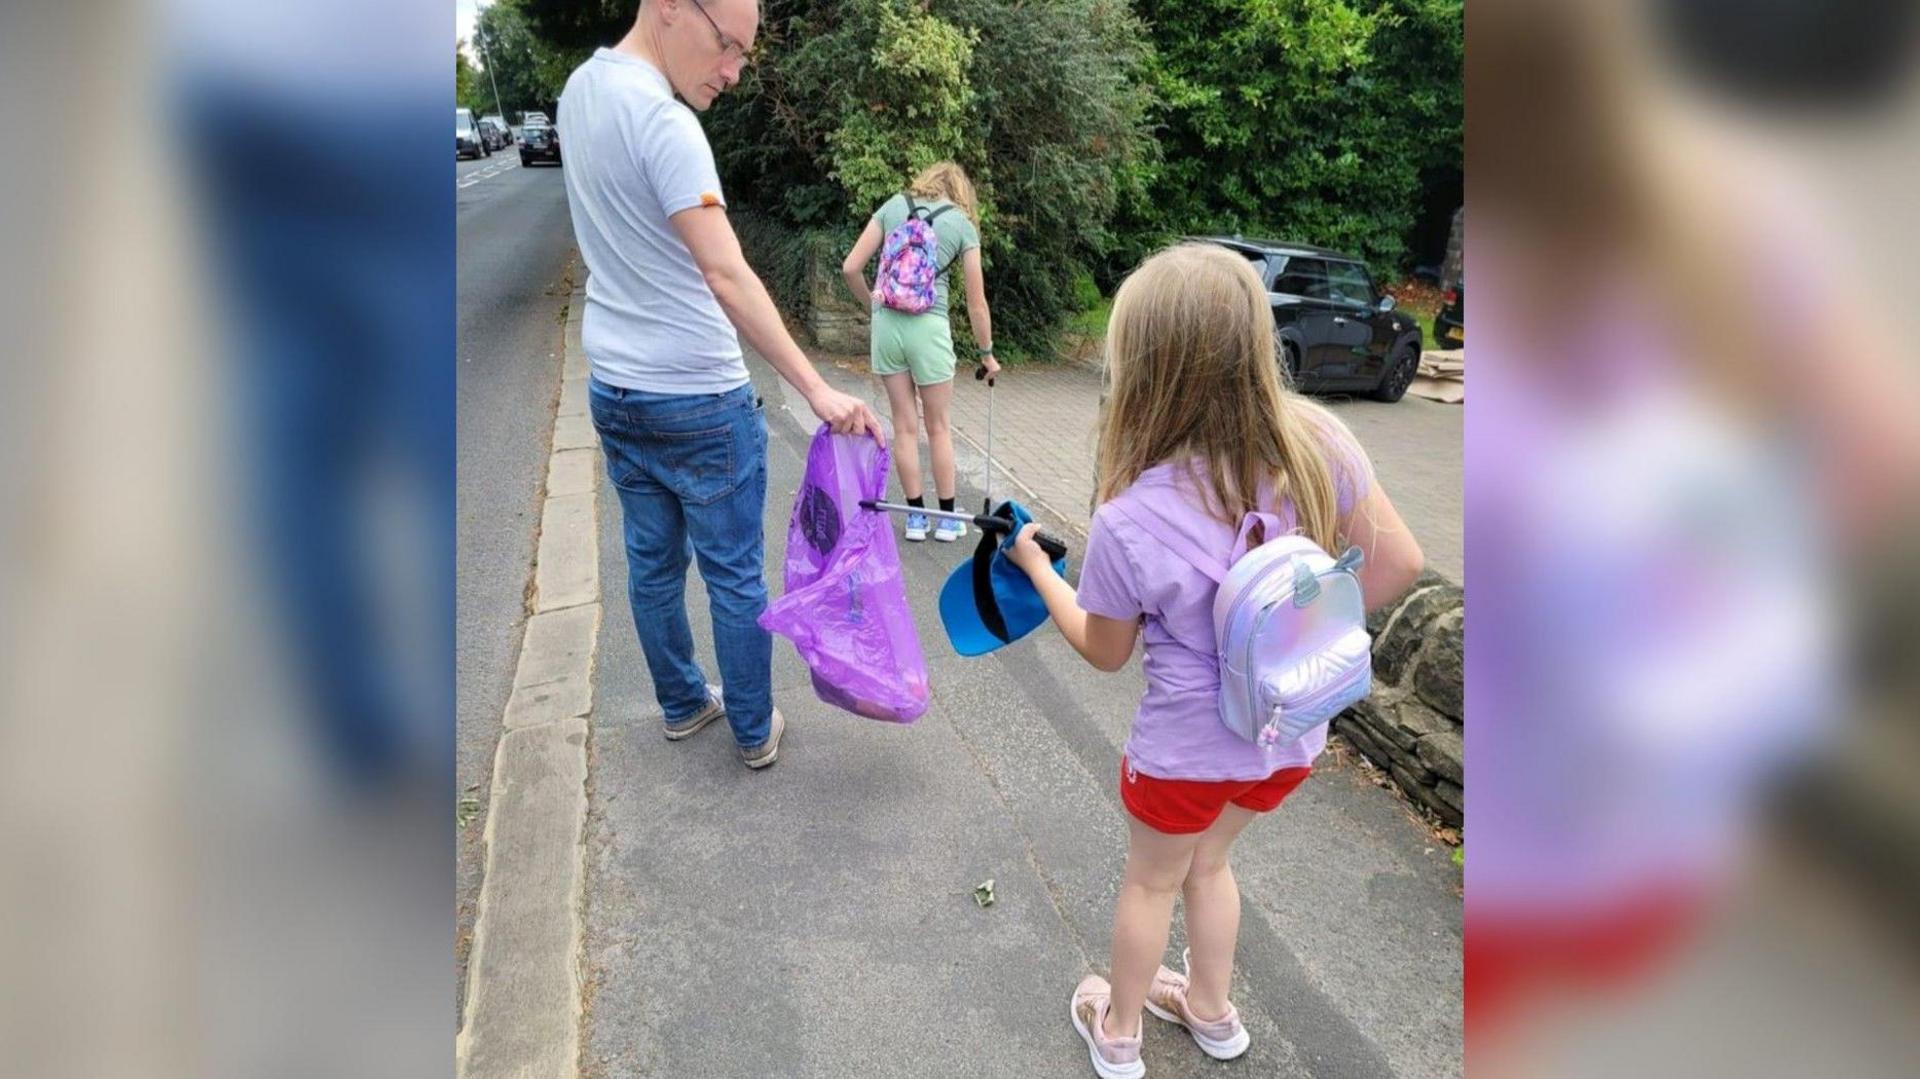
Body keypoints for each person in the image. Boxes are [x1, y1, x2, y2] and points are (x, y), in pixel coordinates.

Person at [1004, 244, 1424, 1077]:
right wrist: (1294, 638)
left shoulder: (1130, 513)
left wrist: (1040, 570)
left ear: (1143, 368)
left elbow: (1103, 647)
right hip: (1288, 735)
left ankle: (1119, 1032)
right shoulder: (1320, 445)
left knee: (1153, 882)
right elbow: (1399, 564)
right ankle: (1211, 1011)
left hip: (1184, 753)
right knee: (1214, 860)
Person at [558, 0, 881, 770]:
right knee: (735, 574)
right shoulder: (667, 126)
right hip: (700, 397)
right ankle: (749, 727)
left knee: (653, 563)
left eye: (743, 53)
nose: (734, 70)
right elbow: (726, 273)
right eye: (727, 44)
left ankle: (681, 703)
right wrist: (818, 389)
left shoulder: (578, 93)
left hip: (617, 387)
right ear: (671, 7)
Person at [841, 162, 999, 541]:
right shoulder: (961, 223)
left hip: (888, 329)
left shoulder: (892, 206)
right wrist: (986, 353)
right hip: (930, 328)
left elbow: (850, 268)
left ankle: (915, 517)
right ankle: (946, 519)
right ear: (959, 191)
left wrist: (875, 306)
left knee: (905, 426)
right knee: (939, 426)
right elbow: (977, 303)